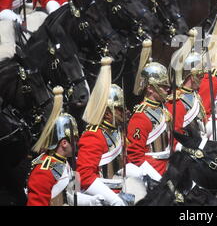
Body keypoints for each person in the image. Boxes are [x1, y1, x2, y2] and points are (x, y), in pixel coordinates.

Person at [76, 57, 128, 206]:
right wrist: (113, 200)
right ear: (107, 113)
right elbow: (85, 177)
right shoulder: (93, 136)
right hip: (103, 198)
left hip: (122, 191)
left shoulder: (116, 131)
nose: (124, 112)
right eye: (119, 109)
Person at [126, 61, 182, 180]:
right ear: (150, 88)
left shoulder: (163, 108)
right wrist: (157, 179)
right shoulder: (140, 116)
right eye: (163, 86)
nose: (168, 89)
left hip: (169, 164)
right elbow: (135, 156)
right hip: (153, 168)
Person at [27, 110, 79, 206]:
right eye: (74, 139)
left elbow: (74, 196)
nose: (77, 143)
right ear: (64, 143)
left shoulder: (65, 162)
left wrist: (92, 201)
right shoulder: (44, 170)